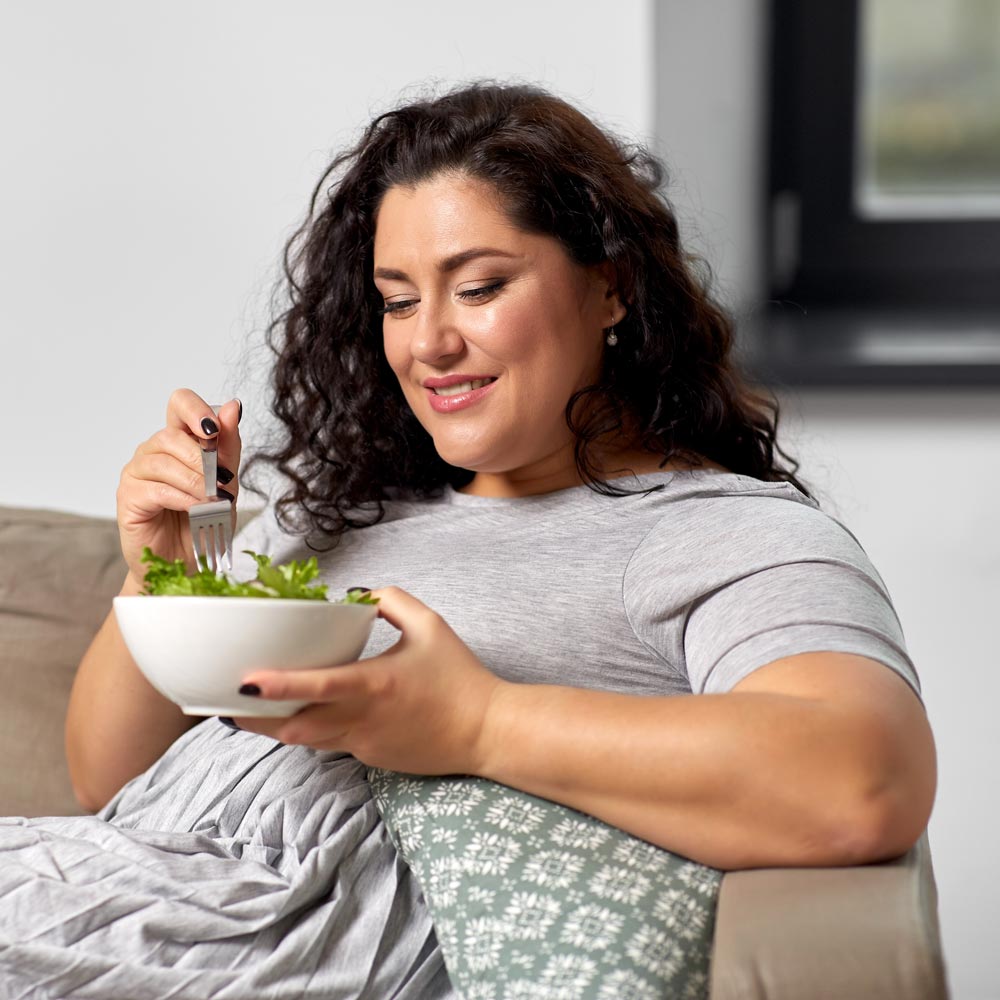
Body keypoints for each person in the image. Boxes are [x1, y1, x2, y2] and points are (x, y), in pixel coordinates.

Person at [3, 81, 934, 997]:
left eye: (480, 287)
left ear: (611, 287)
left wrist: (479, 725)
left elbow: (864, 779)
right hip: (118, 895)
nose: (430, 344)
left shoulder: (717, 534)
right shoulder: (330, 514)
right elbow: (108, 778)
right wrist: (167, 570)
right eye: (399, 302)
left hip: (266, 943)